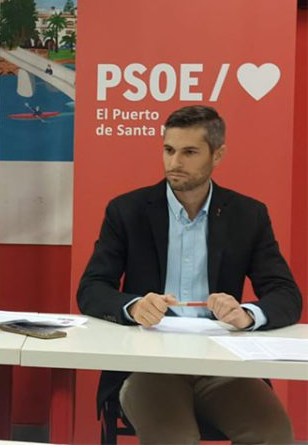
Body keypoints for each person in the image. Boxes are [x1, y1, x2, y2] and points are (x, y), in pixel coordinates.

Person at [77, 105, 301, 444]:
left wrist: (247, 315)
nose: (174, 162)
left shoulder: (248, 215)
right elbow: (92, 288)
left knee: (273, 433)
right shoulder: (127, 210)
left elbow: (286, 294)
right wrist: (134, 306)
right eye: (168, 150)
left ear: (218, 154)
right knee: (176, 438)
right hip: (148, 367)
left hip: (224, 366)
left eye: (189, 152)